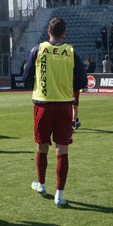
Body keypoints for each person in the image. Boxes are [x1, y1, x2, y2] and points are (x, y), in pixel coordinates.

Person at [22, 17, 86, 208]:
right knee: (62, 149)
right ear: (64, 33)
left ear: (47, 31)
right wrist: (66, 88)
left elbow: (25, 78)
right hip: (65, 105)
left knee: (42, 147)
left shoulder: (38, 49)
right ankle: (59, 195)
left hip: (43, 105)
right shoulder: (72, 52)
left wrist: (37, 86)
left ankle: (41, 184)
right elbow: (82, 81)